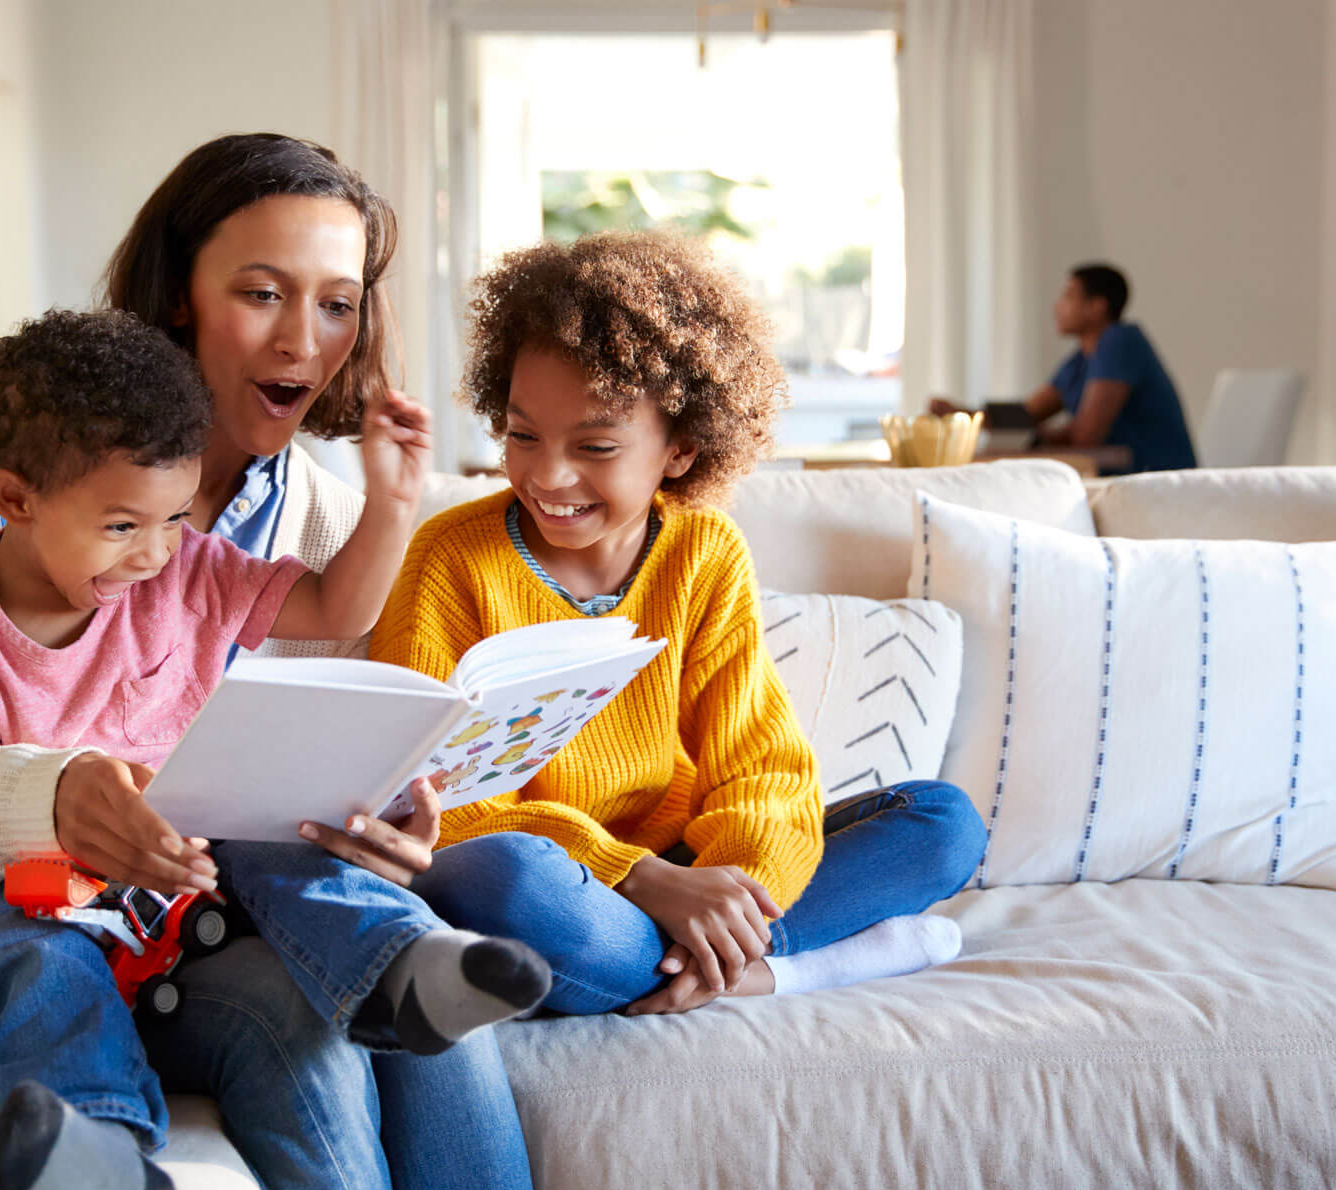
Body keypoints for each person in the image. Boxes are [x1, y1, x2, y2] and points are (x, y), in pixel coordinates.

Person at [0, 134, 544, 1190]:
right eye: (261, 293)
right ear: (178, 298)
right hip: (26, 929)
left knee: (416, 1028)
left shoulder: (340, 534)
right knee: (292, 1041)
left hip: (221, 912)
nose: (304, 340)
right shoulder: (12, 475)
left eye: (337, 304)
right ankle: (90, 1124)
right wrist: (46, 795)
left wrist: (393, 822)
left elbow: (360, 738)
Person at [366, 231, 989, 1018]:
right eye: (522, 435)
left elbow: (759, 769)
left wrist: (726, 894)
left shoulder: (703, 551)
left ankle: (712, 963)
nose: (547, 476)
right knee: (511, 878)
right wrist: (640, 879)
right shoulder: (450, 557)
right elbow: (427, 797)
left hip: (685, 867)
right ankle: (785, 965)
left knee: (941, 821)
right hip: (563, 877)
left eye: (594, 445)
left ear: (681, 450)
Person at [929, 263, 1196, 474]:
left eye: (1068, 296)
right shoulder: (1081, 360)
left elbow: (1085, 435)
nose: (1058, 307)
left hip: (1158, 480)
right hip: (1118, 476)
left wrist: (1030, 439)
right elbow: (1028, 414)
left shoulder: (1120, 342)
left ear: (1096, 307)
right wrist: (962, 414)